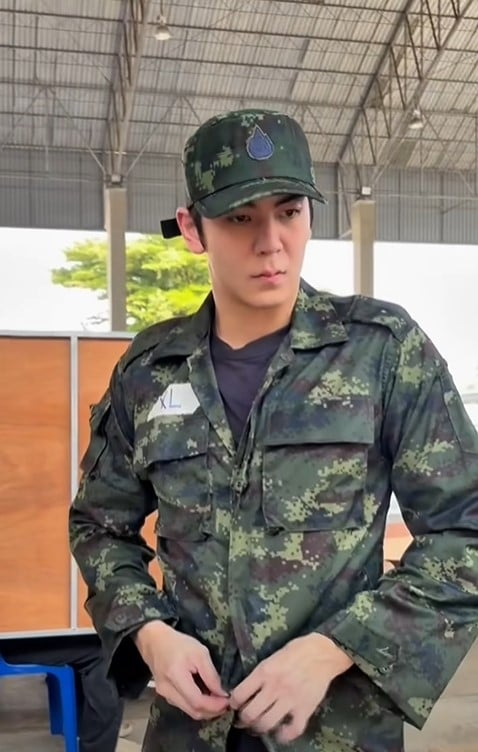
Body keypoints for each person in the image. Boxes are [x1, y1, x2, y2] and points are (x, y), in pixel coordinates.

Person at [69, 108, 478, 752]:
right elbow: (99, 526)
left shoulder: (382, 351)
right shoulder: (149, 372)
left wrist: (337, 647)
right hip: (188, 732)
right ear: (192, 229)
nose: (271, 242)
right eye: (240, 218)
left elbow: (466, 529)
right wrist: (150, 633)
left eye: (289, 212)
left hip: (336, 731)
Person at [1, 635, 124, 752]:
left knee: (102, 641)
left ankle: (92, 728)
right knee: (105, 653)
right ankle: (98, 733)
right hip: (13, 641)